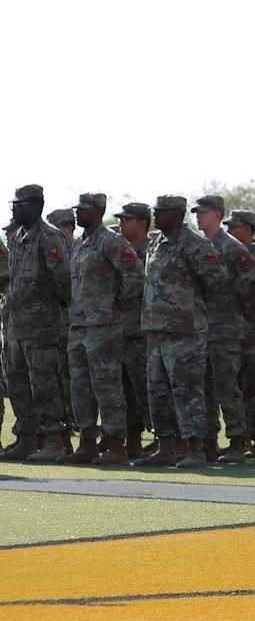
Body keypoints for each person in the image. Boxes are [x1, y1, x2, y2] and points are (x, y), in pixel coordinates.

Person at [134, 195, 223, 469]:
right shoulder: (155, 242)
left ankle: (196, 449)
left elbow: (217, 279)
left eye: (161, 212)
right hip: (156, 331)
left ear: (177, 213)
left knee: (187, 392)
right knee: (156, 391)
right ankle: (166, 447)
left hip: (184, 331)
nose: (156, 215)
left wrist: (189, 305)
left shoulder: (195, 243)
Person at [64, 193, 142, 465]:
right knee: (80, 387)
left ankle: (115, 445)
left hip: (104, 327)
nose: (77, 213)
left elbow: (135, 277)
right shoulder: (78, 244)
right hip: (79, 326)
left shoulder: (111, 241)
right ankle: (87, 443)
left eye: (82, 209)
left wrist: (115, 304)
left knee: (107, 387)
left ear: (96, 212)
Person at [3, 185, 72, 464]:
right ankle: (27, 438)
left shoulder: (49, 238)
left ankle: (54, 440)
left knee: (44, 384)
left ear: (35, 206)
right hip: (15, 326)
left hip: (41, 327)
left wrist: (49, 309)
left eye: (18, 205)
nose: (13, 209)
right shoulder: (18, 238)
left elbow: (64, 282)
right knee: (17, 383)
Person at [191, 195, 255, 464]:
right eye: (196, 213)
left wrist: (234, 307)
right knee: (204, 389)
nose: (198, 217)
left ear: (217, 214)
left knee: (227, 388)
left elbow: (252, 280)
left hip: (226, 330)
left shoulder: (232, 247)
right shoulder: (199, 245)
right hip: (202, 329)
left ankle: (237, 443)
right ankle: (208, 443)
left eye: (203, 213)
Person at [225, 208, 255, 461]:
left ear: (246, 228)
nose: (229, 230)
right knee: (237, 388)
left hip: (254, 333)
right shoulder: (228, 253)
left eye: (233, 226)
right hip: (233, 332)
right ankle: (241, 438)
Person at [113, 203, 153, 461]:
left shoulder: (153, 249)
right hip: (120, 331)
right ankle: (134, 441)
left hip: (143, 332)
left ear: (141, 223)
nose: (121, 224)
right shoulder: (119, 248)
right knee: (124, 389)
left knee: (146, 389)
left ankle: (165, 440)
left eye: (126, 219)